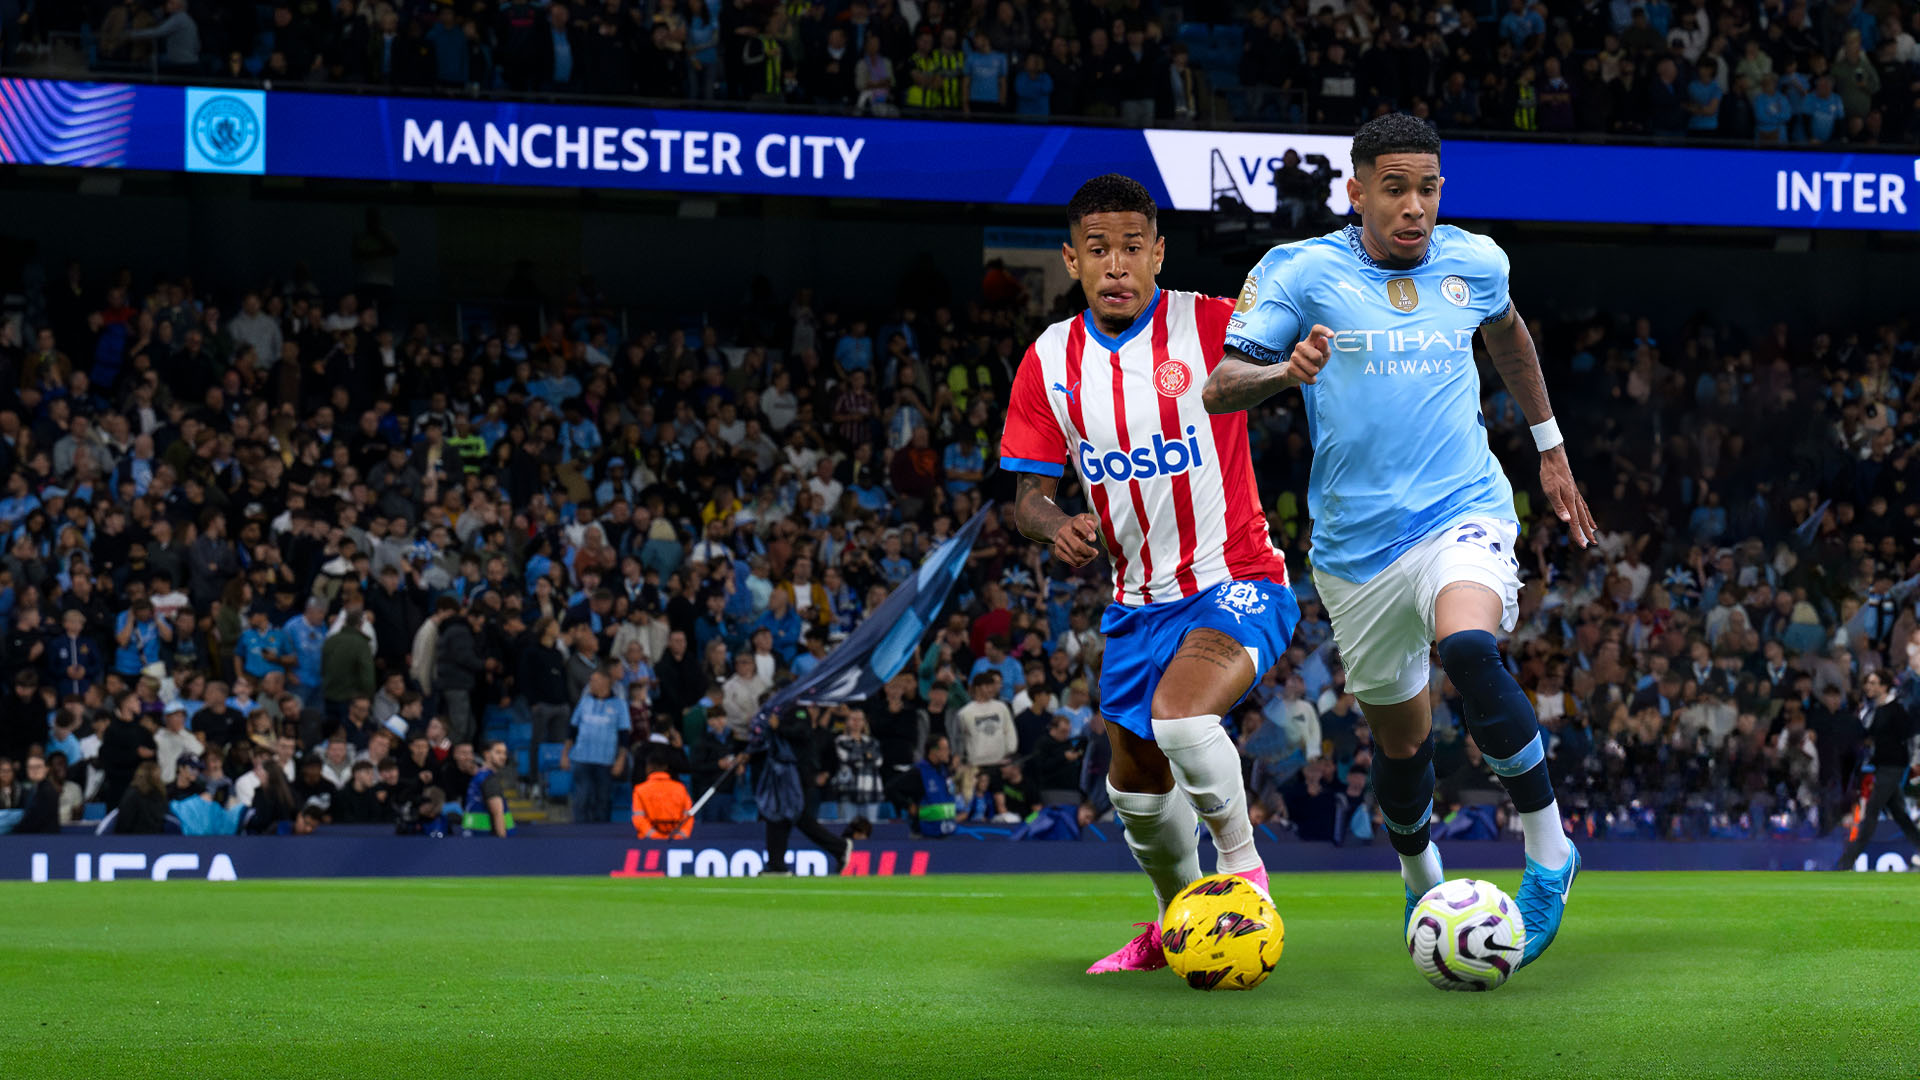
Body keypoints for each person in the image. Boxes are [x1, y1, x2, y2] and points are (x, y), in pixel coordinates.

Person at [1203, 113, 1594, 969]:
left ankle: (1550, 852)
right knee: (1401, 741)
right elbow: (1220, 387)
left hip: (1464, 510)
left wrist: (1551, 445)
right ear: (1357, 190)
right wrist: (1284, 372)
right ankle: (1421, 872)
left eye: (1428, 188)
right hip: (1355, 550)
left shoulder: (1475, 261)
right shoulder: (1297, 272)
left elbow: (1511, 337)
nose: (1414, 207)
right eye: (1395, 189)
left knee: (1467, 643)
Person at [998, 173, 1301, 976]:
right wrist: (1056, 523)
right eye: (1099, 249)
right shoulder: (1049, 361)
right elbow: (1026, 494)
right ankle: (1175, 926)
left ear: (1159, 252)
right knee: (1134, 788)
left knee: (1181, 718)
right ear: (1072, 260)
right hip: (1136, 608)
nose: (1118, 264)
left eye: (1134, 246)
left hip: (1238, 577)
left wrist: (1293, 365)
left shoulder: (1211, 324)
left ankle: (1245, 880)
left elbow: (1283, 363)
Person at [1835, 669, 1920, 869]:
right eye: (1868, 683)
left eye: (1874, 683)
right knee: (1899, 814)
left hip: (1893, 766)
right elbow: (1868, 734)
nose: (1869, 687)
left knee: (1872, 810)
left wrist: (1914, 763)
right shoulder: (1874, 709)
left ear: (1884, 686)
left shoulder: (1896, 710)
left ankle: (1846, 862)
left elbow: (1908, 737)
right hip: (1882, 766)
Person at [563, 666, 629, 825]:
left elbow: (624, 736)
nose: (591, 683)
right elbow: (572, 730)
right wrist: (565, 754)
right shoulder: (584, 702)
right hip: (582, 758)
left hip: (605, 761)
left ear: (606, 682)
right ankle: (579, 834)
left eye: (595, 680)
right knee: (582, 798)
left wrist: (620, 760)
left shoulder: (619, 705)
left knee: (603, 800)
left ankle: (601, 837)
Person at [632, 748, 694, 838]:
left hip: (648, 845)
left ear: (648, 766)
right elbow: (688, 817)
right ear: (666, 767)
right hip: (677, 844)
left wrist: (656, 836)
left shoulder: (640, 790)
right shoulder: (680, 788)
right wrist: (680, 836)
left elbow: (639, 819)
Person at [463, 739, 512, 837]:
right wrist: (504, 842)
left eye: (504, 753)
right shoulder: (490, 780)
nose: (503, 757)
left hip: (474, 838)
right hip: (488, 842)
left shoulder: (479, 776)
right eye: (498, 752)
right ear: (487, 754)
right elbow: (498, 814)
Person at [114, 760, 170, 834]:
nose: (159, 777)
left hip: (155, 837)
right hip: (134, 837)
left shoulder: (159, 793)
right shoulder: (133, 794)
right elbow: (124, 821)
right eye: (157, 774)